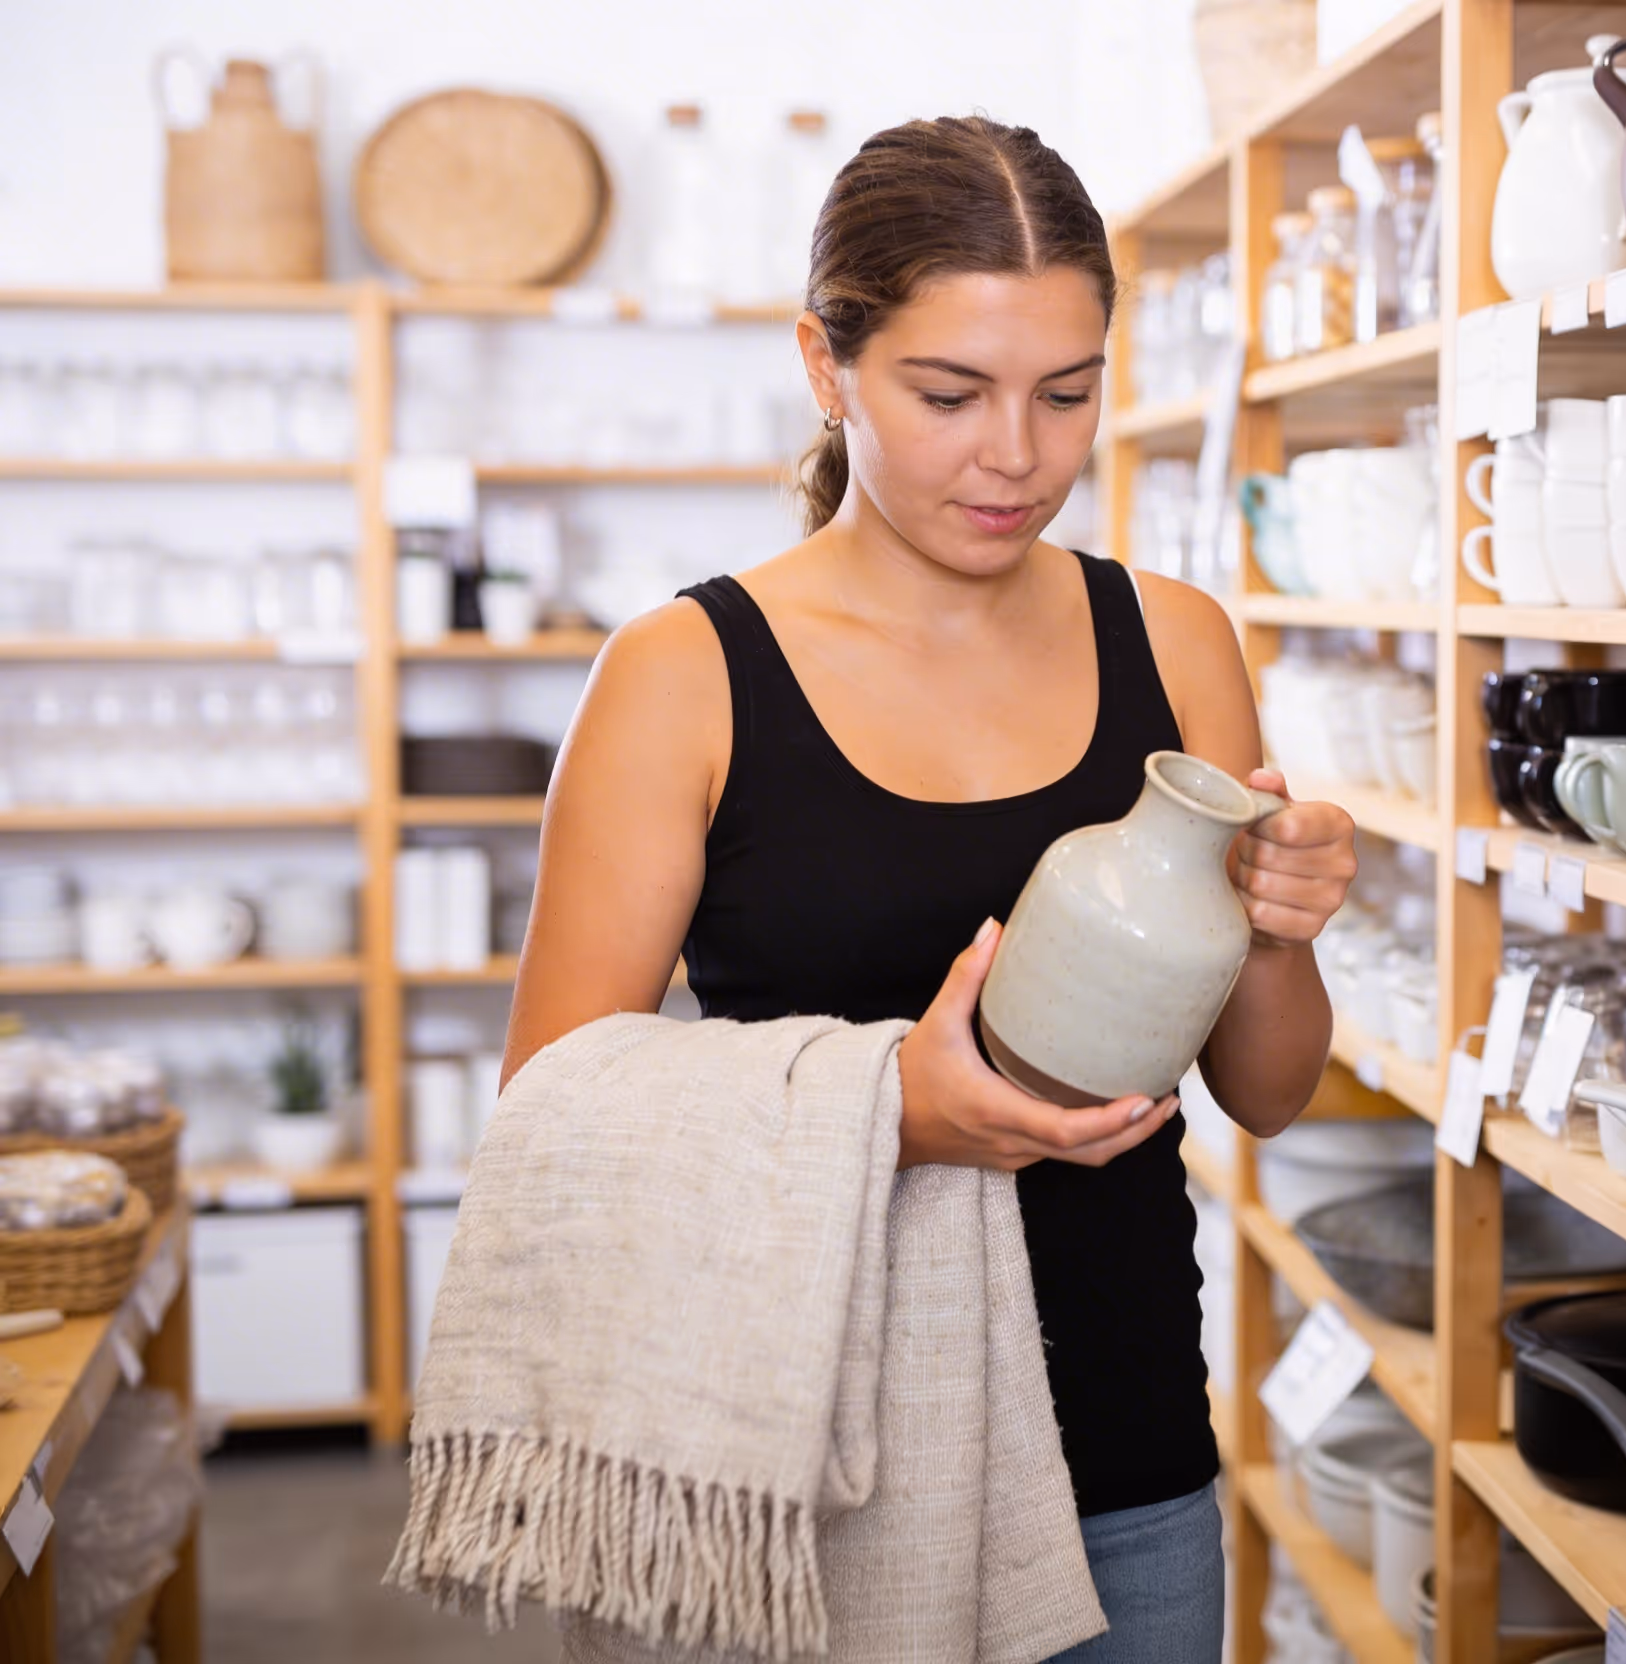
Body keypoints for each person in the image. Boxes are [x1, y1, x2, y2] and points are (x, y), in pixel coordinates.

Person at [499, 114, 1357, 1663]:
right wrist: (896, 1102)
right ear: (828, 366)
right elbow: (553, 1101)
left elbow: (1272, 1091)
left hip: (1124, 1450)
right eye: (948, 394)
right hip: (796, 1459)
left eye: (1070, 392)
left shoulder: (1173, 642)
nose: (1018, 454)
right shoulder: (684, 676)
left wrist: (1284, 930)